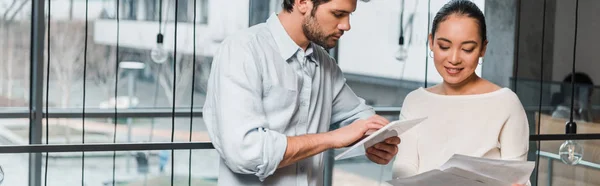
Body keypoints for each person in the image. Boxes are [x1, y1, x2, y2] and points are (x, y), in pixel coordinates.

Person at [203, 0, 400, 185]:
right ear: (303, 2)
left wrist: (376, 139)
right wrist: (331, 138)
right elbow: (245, 152)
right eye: (338, 14)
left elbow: (359, 116)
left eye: (349, 15)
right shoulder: (243, 51)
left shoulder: (325, 64)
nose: (346, 25)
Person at [391, 1, 529, 185]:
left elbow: (516, 176)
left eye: (467, 49)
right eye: (444, 47)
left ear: (482, 49)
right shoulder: (415, 101)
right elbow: (404, 167)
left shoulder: (506, 102)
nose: (454, 59)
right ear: (431, 42)